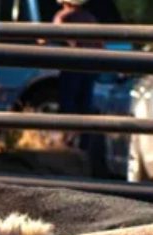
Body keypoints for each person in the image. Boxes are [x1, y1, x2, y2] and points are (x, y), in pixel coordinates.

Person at [52, 0, 102, 151]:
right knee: (85, 105)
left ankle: (67, 140)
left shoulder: (63, 16)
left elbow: (48, 36)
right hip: (89, 67)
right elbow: (100, 43)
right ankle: (84, 144)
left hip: (71, 66)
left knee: (68, 103)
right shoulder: (90, 18)